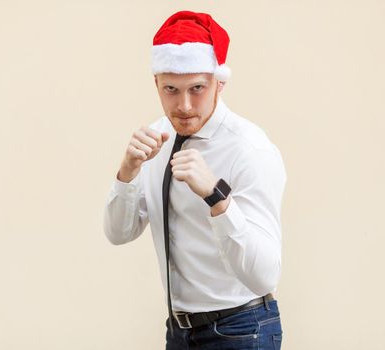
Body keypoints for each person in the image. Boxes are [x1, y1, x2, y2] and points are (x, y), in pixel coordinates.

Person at [103, 10, 287, 349]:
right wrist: (127, 173)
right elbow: (119, 233)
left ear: (220, 83)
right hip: (179, 332)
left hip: (242, 329)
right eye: (171, 89)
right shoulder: (156, 139)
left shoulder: (249, 149)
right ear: (156, 83)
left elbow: (264, 275)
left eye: (197, 88)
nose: (184, 105)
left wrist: (217, 197)